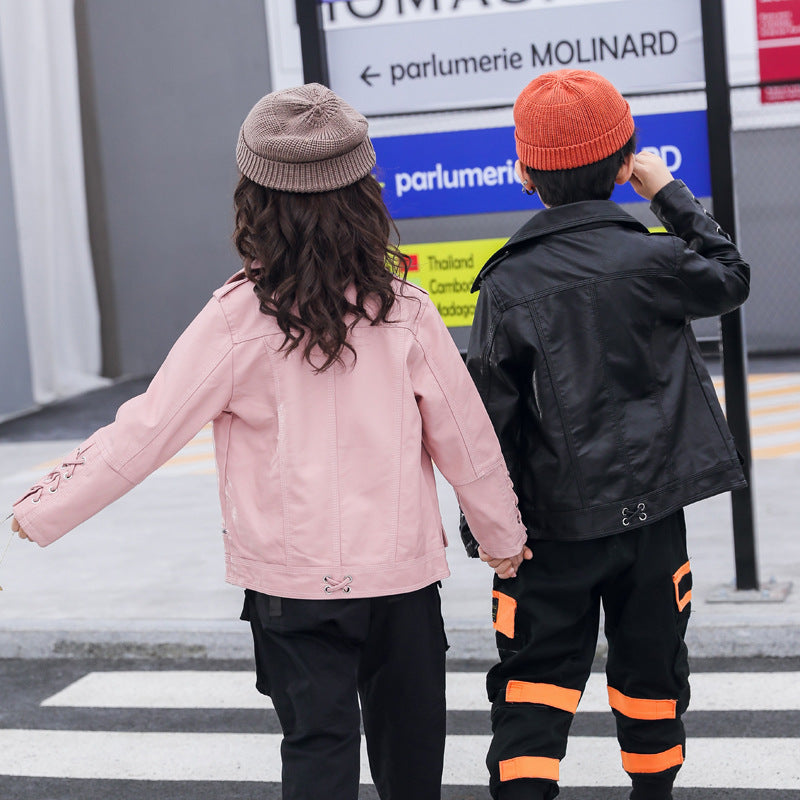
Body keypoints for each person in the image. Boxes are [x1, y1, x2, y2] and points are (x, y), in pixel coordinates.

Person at [10, 83, 530, 800]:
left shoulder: (233, 320)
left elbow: (146, 431)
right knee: (412, 759)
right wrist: (501, 538)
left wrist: (42, 507)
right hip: (400, 584)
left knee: (315, 748)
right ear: (365, 196)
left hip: (289, 586)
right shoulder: (405, 312)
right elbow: (466, 441)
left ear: (255, 202)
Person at [460, 69, 750, 800]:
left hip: (548, 535)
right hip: (655, 521)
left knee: (532, 691)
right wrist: (667, 195)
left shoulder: (506, 285)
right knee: (652, 679)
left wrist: (487, 533)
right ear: (625, 163)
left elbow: (488, 421)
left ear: (524, 174)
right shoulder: (655, 257)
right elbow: (730, 277)